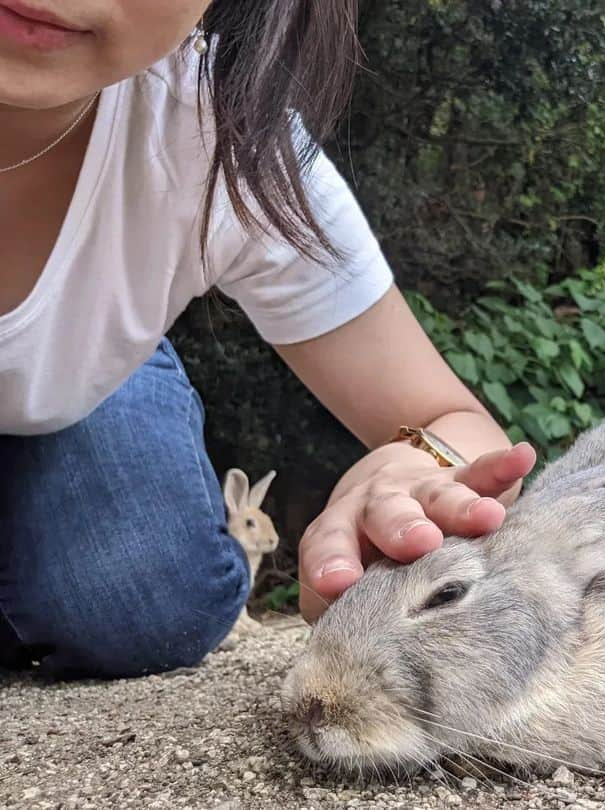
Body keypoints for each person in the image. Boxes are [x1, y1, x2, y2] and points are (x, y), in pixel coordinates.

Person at [0, 0, 536, 679]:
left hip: (74, 384)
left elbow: (455, 427)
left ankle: (96, 360)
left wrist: (413, 475)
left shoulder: (223, 143)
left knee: (143, 601)